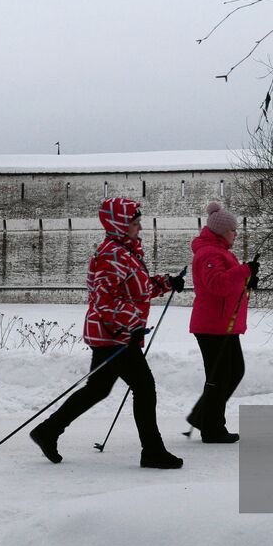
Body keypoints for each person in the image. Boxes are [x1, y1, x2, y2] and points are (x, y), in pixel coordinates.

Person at [30, 197, 187, 469]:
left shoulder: (125, 252)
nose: (140, 228)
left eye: (139, 222)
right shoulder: (112, 254)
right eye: (135, 223)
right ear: (119, 225)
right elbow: (104, 301)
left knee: (98, 389)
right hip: (113, 335)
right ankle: (152, 451)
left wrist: (166, 283)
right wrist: (133, 323)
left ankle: (48, 430)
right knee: (144, 387)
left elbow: (136, 289)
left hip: (117, 333)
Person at [186, 201, 258, 443]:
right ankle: (212, 428)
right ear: (221, 231)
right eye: (232, 230)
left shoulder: (221, 252)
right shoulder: (209, 254)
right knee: (220, 377)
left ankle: (204, 418)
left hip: (222, 324)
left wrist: (247, 280)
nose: (236, 234)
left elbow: (229, 283)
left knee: (232, 372)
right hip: (212, 326)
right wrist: (243, 271)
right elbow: (217, 285)